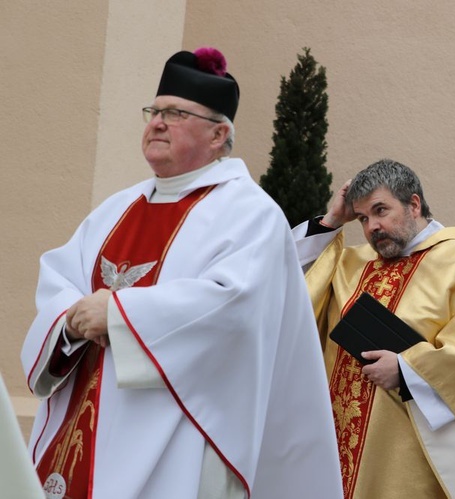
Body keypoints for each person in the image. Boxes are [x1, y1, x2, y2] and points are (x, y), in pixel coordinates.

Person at [21, 47, 343, 499]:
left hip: (182, 432)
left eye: (175, 113)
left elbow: (233, 308)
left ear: (218, 134)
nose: (156, 122)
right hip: (87, 417)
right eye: (154, 111)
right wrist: (70, 323)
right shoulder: (117, 208)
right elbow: (60, 277)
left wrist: (116, 314)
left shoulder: (249, 212)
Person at [293, 159, 455, 499]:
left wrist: (408, 370)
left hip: (403, 455)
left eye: (381, 211)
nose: (372, 227)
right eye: (363, 218)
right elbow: (290, 295)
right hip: (330, 446)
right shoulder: (349, 263)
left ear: (414, 204)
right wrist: (332, 221)